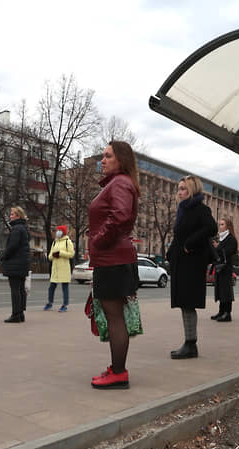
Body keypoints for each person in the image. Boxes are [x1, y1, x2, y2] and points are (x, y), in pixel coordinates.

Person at [88, 141, 140, 389]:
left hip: (113, 260)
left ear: (121, 159)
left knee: (115, 317)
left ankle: (119, 373)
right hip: (113, 258)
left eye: (108, 156)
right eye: (103, 156)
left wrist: (98, 240)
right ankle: (117, 369)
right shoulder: (119, 183)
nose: (103, 160)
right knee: (114, 317)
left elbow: (119, 216)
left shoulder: (120, 183)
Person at [167, 175, 218, 359]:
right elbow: (179, 235)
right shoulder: (183, 209)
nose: (180, 192)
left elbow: (211, 228)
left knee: (188, 303)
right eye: (179, 188)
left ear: (192, 189)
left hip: (192, 263)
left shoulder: (200, 209)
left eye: (183, 188)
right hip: (181, 262)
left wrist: (190, 243)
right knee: (184, 303)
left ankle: (191, 345)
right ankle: (189, 343)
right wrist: (171, 253)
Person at [1, 206, 31, 323]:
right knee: (21, 289)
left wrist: (4, 256)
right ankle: (21, 313)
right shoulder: (24, 228)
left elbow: (12, 246)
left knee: (15, 289)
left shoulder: (16, 229)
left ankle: (16, 314)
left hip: (15, 263)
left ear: (18, 216)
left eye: (12, 214)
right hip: (22, 263)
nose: (10, 216)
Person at [211, 217, 237, 322]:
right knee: (220, 291)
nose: (220, 226)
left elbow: (230, 251)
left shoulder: (231, 238)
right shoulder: (222, 238)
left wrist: (218, 247)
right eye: (220, 224)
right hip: (219, 269)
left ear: (228, 226)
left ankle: (227, 313)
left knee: (226, 292)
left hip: (226, 269)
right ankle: (221, 311)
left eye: (222, 224)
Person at [44, 225, 75, 312]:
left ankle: (65, 305)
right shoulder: (55, 242)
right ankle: (49, 303)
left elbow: (71, 254)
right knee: (51, 287)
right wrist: (53, 256)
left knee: (65, 287)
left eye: (59, 230)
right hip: (55, 269)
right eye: (57, 230)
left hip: (64, 268)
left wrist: (60, 253)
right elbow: (49, 256)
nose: (57, 232)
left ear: (63, 232)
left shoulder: (68, 242)